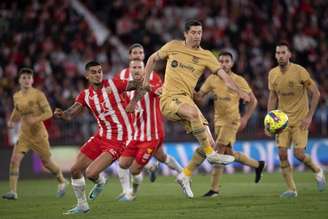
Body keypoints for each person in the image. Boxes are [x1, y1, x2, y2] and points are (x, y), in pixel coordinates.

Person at [140, 19, 249, 198]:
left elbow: (224, 77)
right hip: (168, 99)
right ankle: (211, 155)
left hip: (186, 100)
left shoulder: (206, 55)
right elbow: (152, 58)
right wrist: (145, 83)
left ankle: (184, 176)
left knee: (210, 141)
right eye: (194, 32)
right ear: (186, 33)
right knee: (196, 122)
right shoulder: (173, 46)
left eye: (200, 32)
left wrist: (239, 91)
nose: (197, 36)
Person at [54, 61, 140, 214]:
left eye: (99, 71)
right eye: (93, 72)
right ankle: (82, 205)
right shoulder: (85, 95)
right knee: (74, 170)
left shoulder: (114, 85)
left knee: (91, 173)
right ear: (87, 76)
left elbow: (140, 85)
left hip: (119, 139)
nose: (97, 74)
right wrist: (63, 114)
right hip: (101, 136)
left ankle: (100, 181)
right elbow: (71, 114)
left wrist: (133, 103)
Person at [114, 44, 183, 198]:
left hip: (151, 126)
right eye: (135, 53)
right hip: (132, 127)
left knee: (152, 160)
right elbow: (118, 94)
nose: (138, 55)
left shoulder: (153, 76)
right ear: (129, 56)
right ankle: (130, 189)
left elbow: (159, 92)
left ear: (145, 56)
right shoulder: (122, 75)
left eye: (141, 52)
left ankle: (180, 172)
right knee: (126, 163)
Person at [193, 51, 265, 197]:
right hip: (218, 121)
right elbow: (199, 96)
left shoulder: (238, 80)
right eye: (221, 61)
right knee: (228, 153)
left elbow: (254, 101)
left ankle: (214, 189)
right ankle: (257, 165)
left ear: (232, 64)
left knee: (218, 151)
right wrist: (188, 90)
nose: (223, 64)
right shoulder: (212, 79)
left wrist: (245, 118)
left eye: (226, 61)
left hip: (232, 121)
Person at [267, 42, 326, 198]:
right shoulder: (272, 74)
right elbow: (272, 98)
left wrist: (309, 117)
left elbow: (316, 94)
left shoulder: (300, 71)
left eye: (283, 52)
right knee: (282, 154)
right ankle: (292, 190)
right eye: (278, 53)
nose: (280, 55)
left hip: (300, 120)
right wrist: (269, 120)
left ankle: (318, 171)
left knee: (298, 154)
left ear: (289, 54)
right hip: (282, 121)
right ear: (275, 55)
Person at [2, 68, 66, 200]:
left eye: (29, 78)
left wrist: (35, 119)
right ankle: (13, 192)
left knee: (47, 163)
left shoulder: (38, 95)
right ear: (19, 80)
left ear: (32, 80)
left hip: (39, 135)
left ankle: (61, 180)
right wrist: (11, 121)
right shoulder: (17, 96)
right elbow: (17, 110)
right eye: (24, 78)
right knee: (14, 161)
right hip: (24, 135)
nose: (26, 80)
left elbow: (49, 112)